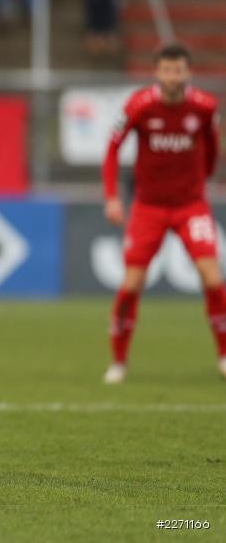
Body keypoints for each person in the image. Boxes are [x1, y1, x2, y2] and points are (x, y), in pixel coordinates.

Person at [101, 43, 224, 384]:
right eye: (167, 70)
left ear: (188, 72)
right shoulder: (139, 106)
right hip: (148, 207)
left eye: (179, 70)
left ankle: (224, 356)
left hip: (191, 206)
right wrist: (112, 197)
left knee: (213, 279)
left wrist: (200, 184)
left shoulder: (204, 108)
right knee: (131, 285)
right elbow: (112, 149)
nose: (173, 76)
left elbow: (213, 150)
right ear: (157, 72)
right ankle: (119, 362)